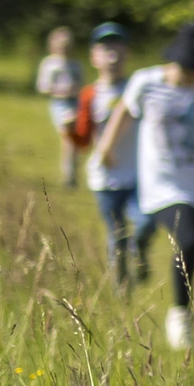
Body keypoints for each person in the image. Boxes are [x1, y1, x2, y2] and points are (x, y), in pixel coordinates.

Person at [96, 22, 194, 364]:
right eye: (191, 69)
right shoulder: (147, 83)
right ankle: (180, 312)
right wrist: (106, 149)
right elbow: (123, 114)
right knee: (187, 237)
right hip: (163, 185)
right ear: (175, 60)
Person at [68, 23, 155, 288]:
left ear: (127, 53)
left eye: (118, 47)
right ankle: (122, 289)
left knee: (146, 222)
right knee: (116, 235)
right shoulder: (89, 95)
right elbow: (82, 140)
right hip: (105, 177)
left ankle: (139, 251)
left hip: (140, 173)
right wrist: (68, 130)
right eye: (105, 48)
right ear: (94, 57)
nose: (112, 55)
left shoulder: (138, 88)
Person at [37, 26, 85, 188]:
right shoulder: (50, 64)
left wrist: (76, 90)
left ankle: (71, 173)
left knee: (74, 139)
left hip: (75, 102)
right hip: (60, 104)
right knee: (68, 138)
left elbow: (82, 85)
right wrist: (60, 92)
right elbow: (43, 86)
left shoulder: (76, 64)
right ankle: (69, 175)